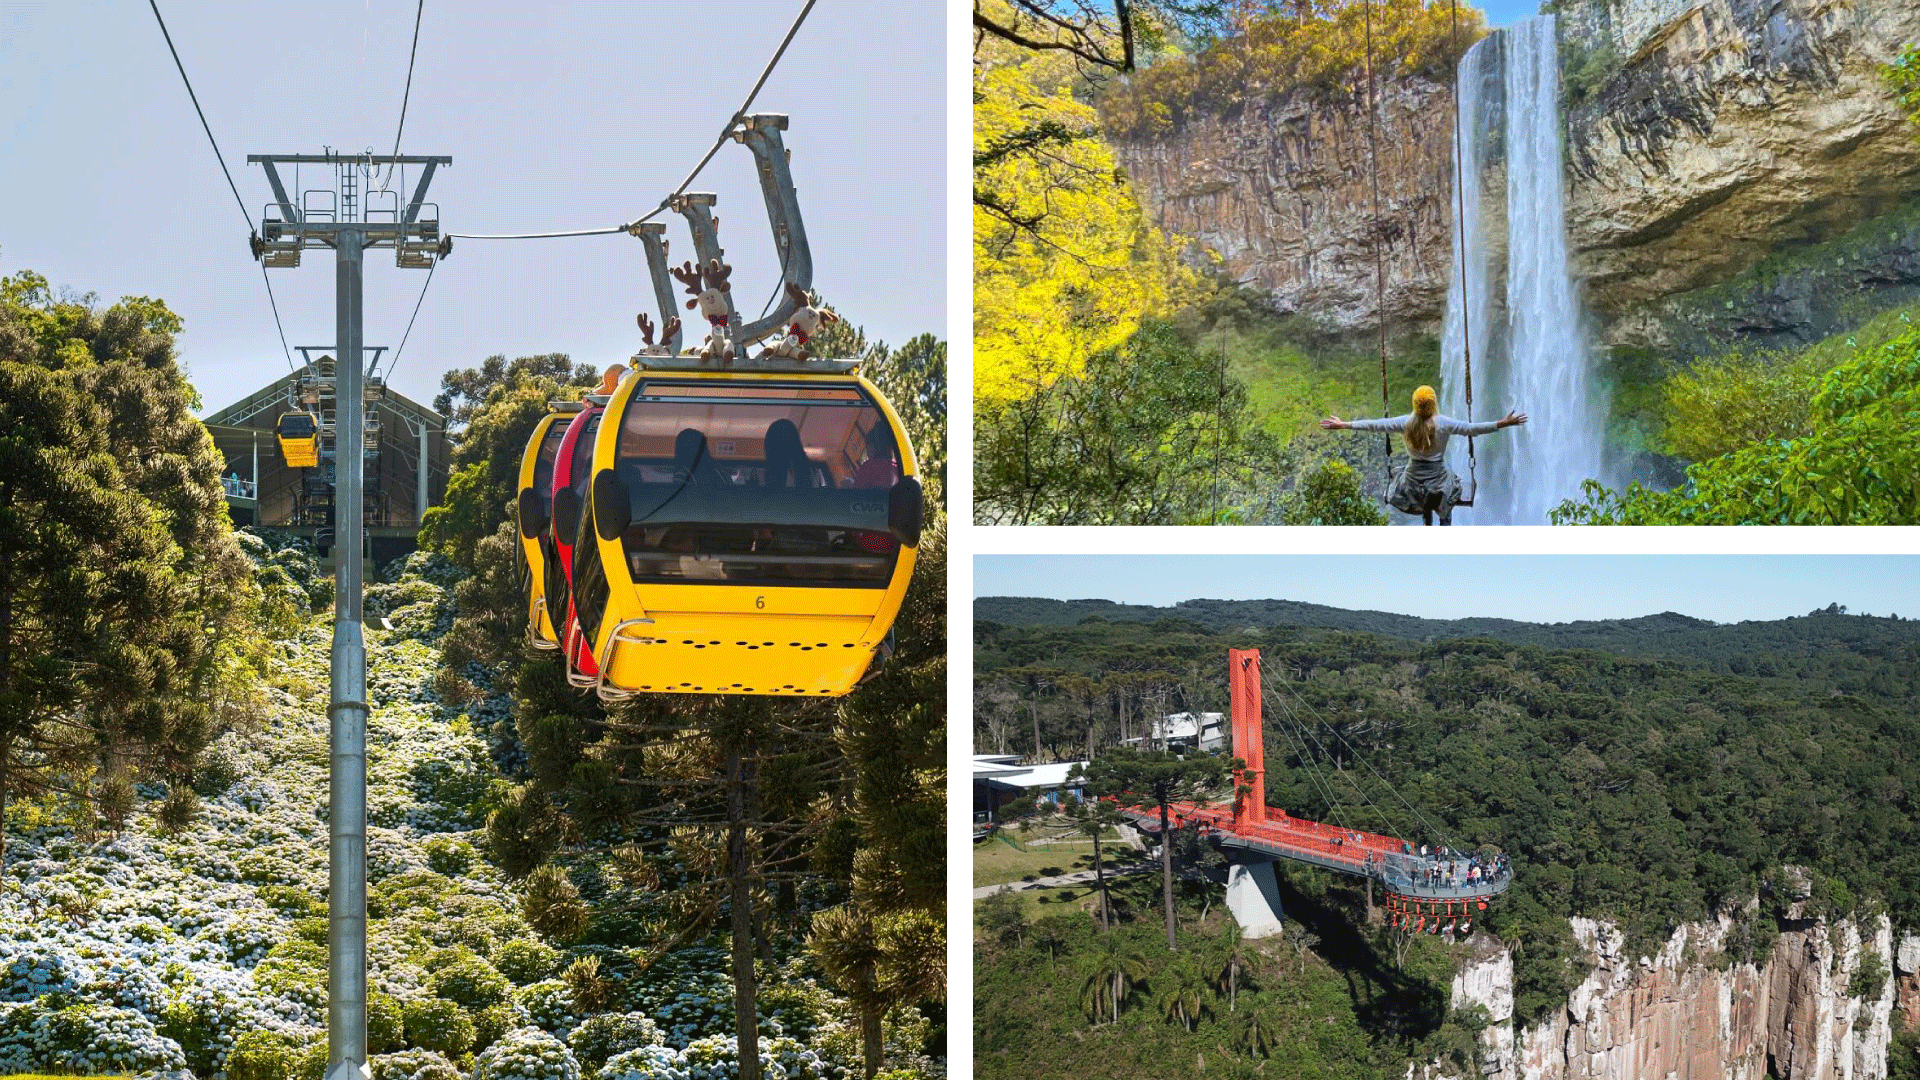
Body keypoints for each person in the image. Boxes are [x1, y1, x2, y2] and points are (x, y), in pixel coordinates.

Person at [1320, 386, 1527, 525]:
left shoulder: (1405, 422)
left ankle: (1428, 527)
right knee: (1446, 495)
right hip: (1439, 482)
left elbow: (1374, 425)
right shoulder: (1444, 424)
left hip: (1411, 483)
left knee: (1420, 491)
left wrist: (1344, 424)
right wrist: (1502, 423)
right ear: (1434, 403)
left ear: (1414, 404)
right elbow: (1472, 429)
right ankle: (1444, 524)